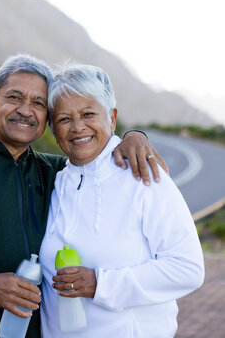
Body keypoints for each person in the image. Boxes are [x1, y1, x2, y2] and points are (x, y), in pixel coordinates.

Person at [0, 54, 166, 337]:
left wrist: (133, 136)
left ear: (47, 118)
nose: (25, 110)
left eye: (38, 103)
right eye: (14, 97)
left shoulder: (51, 171)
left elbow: (96, 152)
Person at [39, 63, 204, 337]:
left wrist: (100, 284)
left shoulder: (143, 175)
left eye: (88, 113)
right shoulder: (56, 181)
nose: (78, 127)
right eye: (64, 119)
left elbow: (188, 268)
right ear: (53, 129)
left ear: (112, 118)